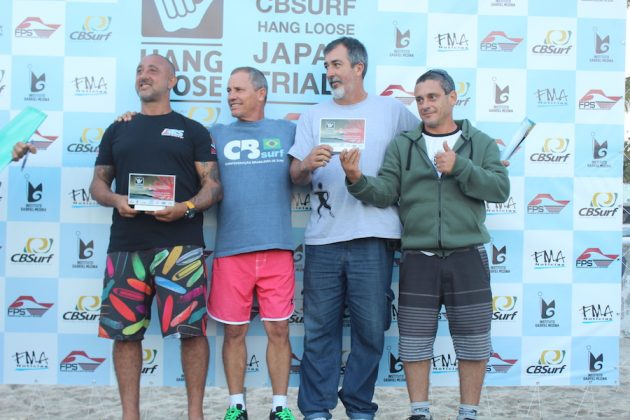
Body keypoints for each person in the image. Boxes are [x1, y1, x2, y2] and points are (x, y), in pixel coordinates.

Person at [339, 69, 510, 420]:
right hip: (419, 257)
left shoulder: (480, 142)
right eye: (419, 99)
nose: (425, 105)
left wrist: (460, 166)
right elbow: (386, 191)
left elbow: (499, 190)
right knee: (414, 343)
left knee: (474, 342)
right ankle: (420, 412)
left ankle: (468, 412)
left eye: (432, 97)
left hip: (468, 256)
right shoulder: (404, 144)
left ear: (452, 98)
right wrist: (356, 180)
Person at [288, 37, 419, 420]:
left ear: (358, 67)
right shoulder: (313, 115)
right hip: (324, 239)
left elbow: (424, 144)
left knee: (370, 330)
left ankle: (360, 406)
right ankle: (315, 409)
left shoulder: (392, 111)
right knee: (319, 330)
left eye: (336, 64)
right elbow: (295, 174)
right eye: (326, 66)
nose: (329, 73)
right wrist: (307, 163)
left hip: (375, 236)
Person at [89, 53, 222, 420]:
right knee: (124, 335)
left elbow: (212, 186)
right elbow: (98, 184)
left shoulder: (193, 130)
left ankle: (195, 414)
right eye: (139, 70)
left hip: (181, 247)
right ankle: (130, 415)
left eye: (153, 69)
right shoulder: (118, 129)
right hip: (126, 247)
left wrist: (186, 208)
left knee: (191, 333)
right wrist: (116, 199)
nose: (144, 75)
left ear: (172, 81)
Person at [206, 67, 296, 420]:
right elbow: (176, 140)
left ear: (261, 93)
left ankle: (280, 408)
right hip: (231, 251)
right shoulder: (216, 133)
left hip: (276, 248)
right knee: (234, 332)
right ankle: (236, 406)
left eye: (239, 89)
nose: (231, 95)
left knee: (279, 329)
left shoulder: (287, 130)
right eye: (228, 89)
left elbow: (335, 131)